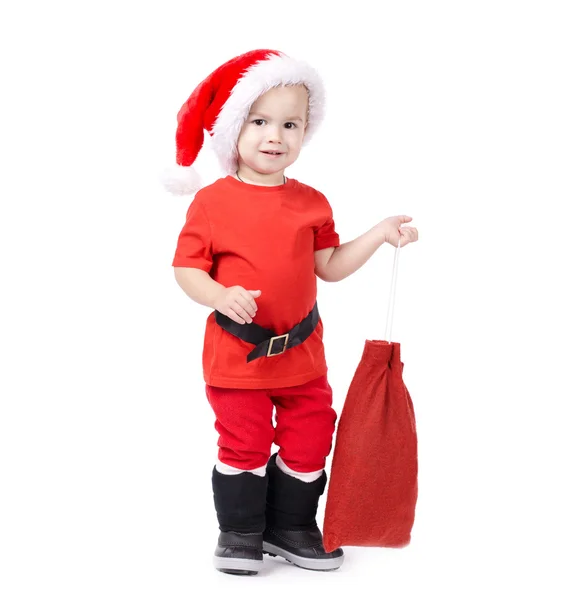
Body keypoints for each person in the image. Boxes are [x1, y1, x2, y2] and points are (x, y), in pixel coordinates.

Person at [165, 49, 418, 576]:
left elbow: (330, 265)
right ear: (232, 128)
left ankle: (290, 527)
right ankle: (239, 534)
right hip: (239, 358)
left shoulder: (312, 203)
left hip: (303, 356)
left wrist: (378, 233)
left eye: (290, 124)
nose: (274, 135)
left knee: (310, 438)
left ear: (305, 132)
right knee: (245, 441)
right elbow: (186, 269)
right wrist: (216, 294)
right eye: (258, 121)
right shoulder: (213, 203)